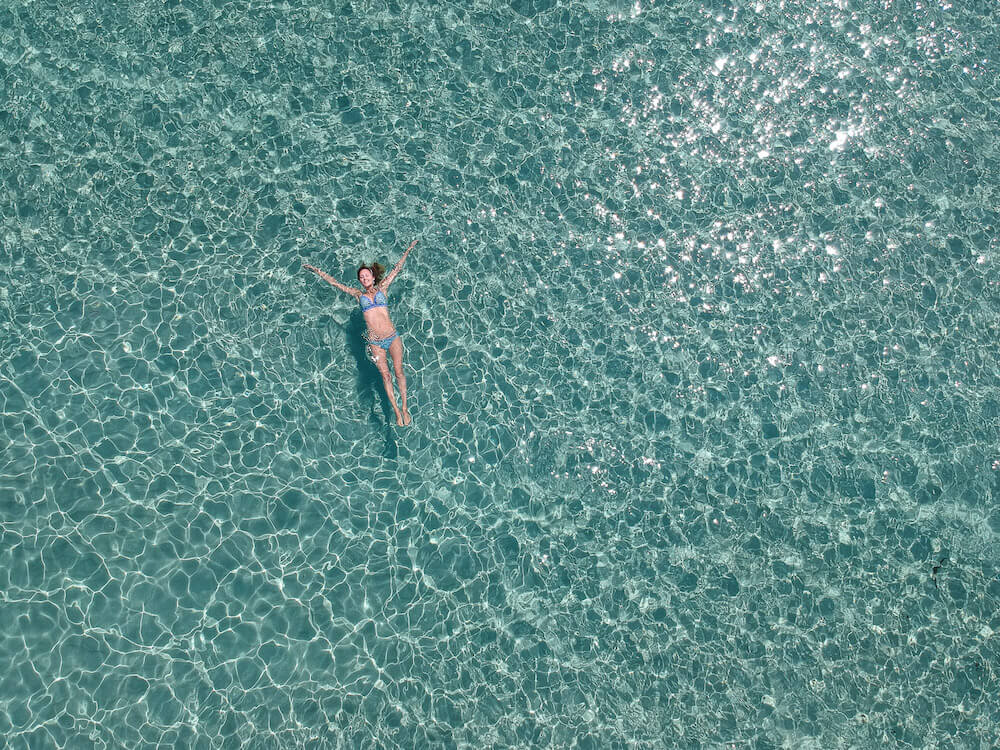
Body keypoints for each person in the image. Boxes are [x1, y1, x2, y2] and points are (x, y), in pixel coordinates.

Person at [304, 239, 417, 426]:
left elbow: (397, 269)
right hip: (374, 340)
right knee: (386, 376)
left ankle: (405, 407)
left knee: (398, 372)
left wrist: (409, 249)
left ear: (373, 277)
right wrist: (317, 271)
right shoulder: (358, 295)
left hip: (391, 336)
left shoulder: (383, 288)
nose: (364, 279)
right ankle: (396, 411)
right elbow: (335, 283)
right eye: (361, 278)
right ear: (360, 281)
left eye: (367, 276)